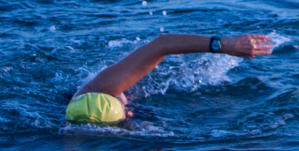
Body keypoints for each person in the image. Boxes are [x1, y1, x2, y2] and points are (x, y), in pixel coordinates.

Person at [66, 33, 276, 124]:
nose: (128, 112)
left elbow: (163, 43)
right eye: (125, 113)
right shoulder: (80, 119)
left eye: (122, 105)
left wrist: (227, 45)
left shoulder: (103, 86)